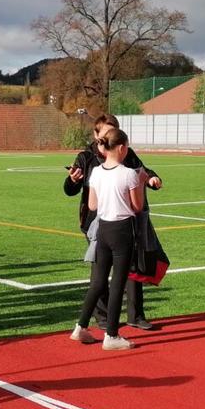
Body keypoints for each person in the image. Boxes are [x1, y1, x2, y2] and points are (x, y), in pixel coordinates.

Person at [64, 113, 160, 330]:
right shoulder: (87, 158)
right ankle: (105, 320)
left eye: (113, 133)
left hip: (124, 222)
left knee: (131, 268)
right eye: (105, 134)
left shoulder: (126, 156)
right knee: (101, 274)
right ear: (96, 135)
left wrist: (153, 179)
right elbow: (78, 195)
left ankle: (134, 315)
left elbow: (143, 171)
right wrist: (72, 180)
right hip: (97, 224)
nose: (109, 139)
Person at [71, 127, 146, 351]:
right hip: (122, 230)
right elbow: (138, 206)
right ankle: (111, 334)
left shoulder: (97, 173)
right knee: (118, 283)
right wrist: (141, 181)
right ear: (122, 148)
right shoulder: (128, 174)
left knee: (98, 281)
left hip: (102, 228)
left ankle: (80, 327)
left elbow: (92, 205)